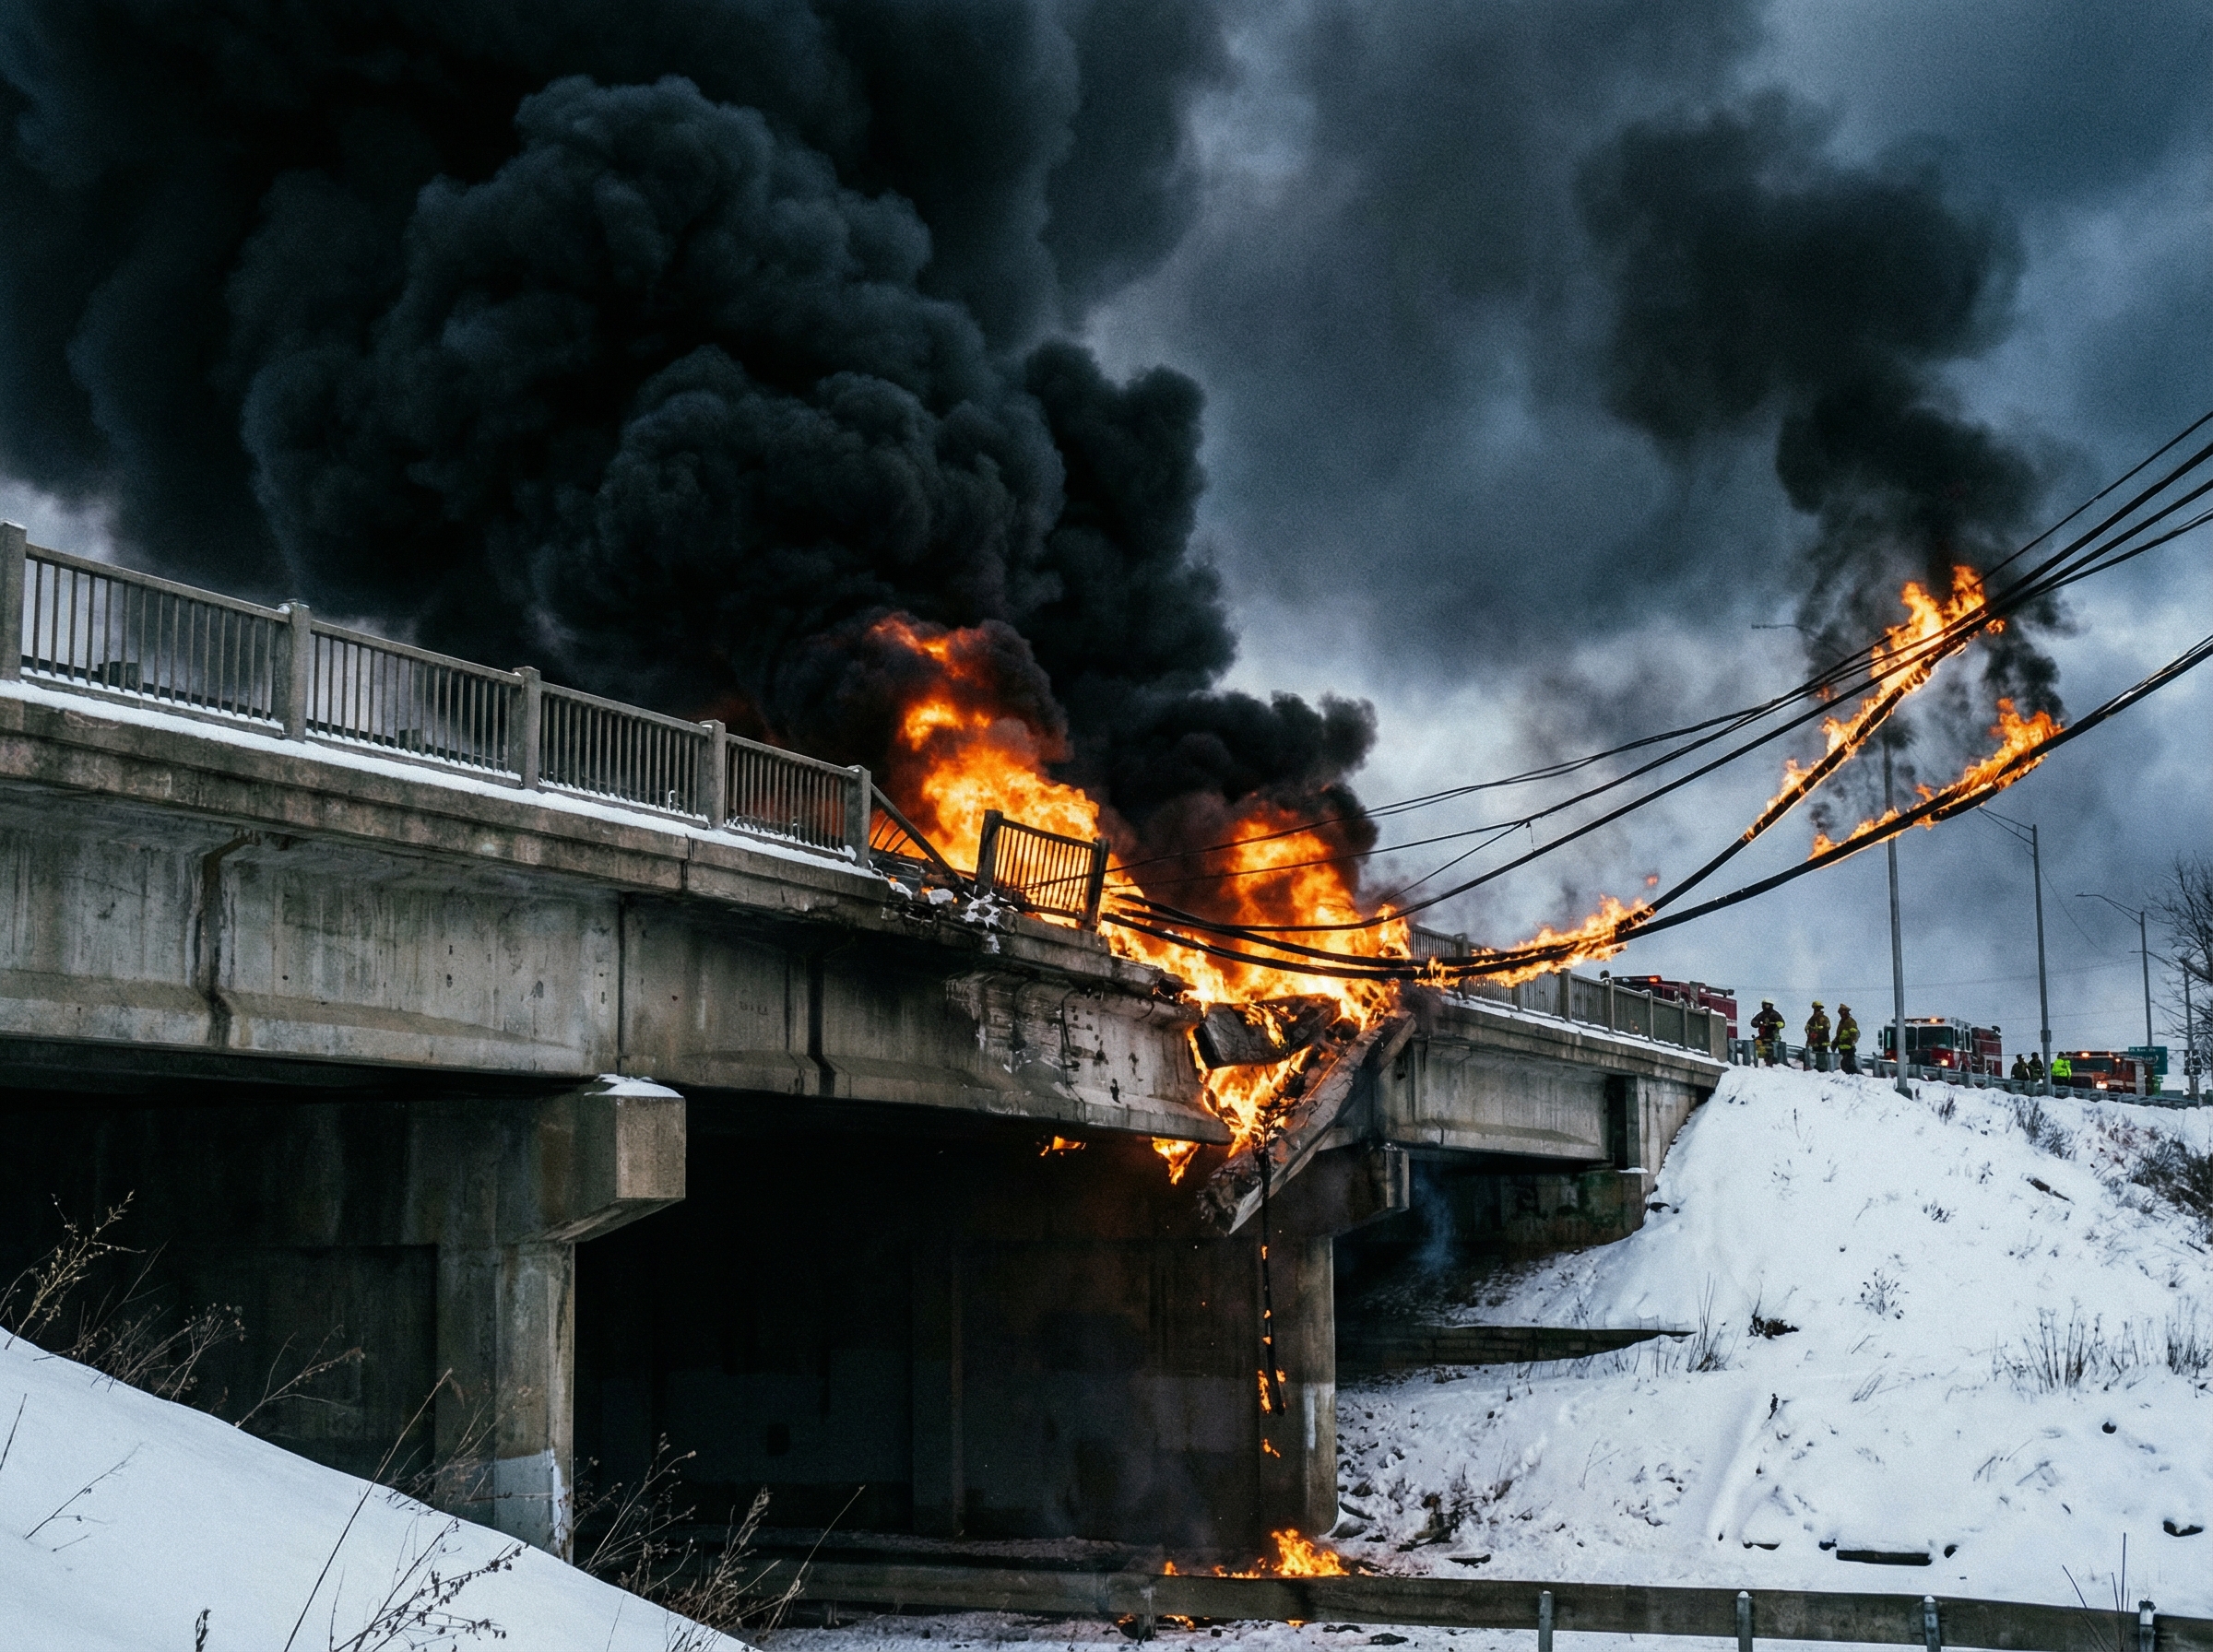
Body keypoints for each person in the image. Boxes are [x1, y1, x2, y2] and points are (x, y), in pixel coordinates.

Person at [1751, 999, 1784, 1066]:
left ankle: (1777, 1063)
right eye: (1765, 1005)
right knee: (1756, 1045)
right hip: (1763, 1036)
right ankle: (1759, 1061)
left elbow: (1782, 1023)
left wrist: (1778, 1024)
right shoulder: (1761, 1014)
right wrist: (1758, 1024)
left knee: (1776, 1048)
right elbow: (1753, 1021)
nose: (1767, 1006)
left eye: (1768, 1005)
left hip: (1773, 1036)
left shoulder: (1775, 1014)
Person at [1804, 1002, 1832, 1070]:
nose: (1817, 1010)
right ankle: (1817, 1068)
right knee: (1815, 1055)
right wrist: (1809, 1031)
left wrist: (1818, 1030)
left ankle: (1824, 1069)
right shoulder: (1812, 1019)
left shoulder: (1825, 1018)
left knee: (1822, 1056)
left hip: (1823, 1040)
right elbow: (1807, 1028)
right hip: (1814, 1041)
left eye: (1818, 1009)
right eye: (1815, 1009)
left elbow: (1827, 1027)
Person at [1835, 1004, 1859, 1074]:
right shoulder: (1841, 1023)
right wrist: (1834, 1044)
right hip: (1841, 1049)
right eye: (1840, 1012)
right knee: (1843, 1067)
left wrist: (1853, 1041)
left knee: (1850, 1067)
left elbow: (1854, 1033)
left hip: (1849, 1049)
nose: (1842, 1014)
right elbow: (1838, 1035)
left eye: (1843, 1012)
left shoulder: (1850, 1022)